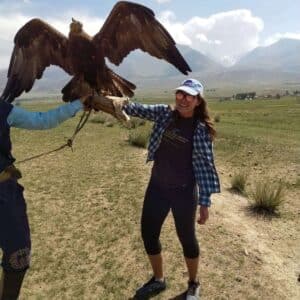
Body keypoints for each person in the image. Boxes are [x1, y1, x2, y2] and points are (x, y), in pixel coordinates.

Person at [121, 78, 221, 299]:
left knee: (187, 238)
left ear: (198, 101)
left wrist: (205, 203)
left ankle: (193, 283)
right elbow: (137, 108)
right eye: (180, 94)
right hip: (157, 187)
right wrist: (112, 101)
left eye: (189, 96)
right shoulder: (165, 114)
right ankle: (158, 280)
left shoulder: (201, 129)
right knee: (148, 234)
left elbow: (205, 167)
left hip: (183, 192)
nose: (183, 99)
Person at [0, 96, 102, 300]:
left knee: (19, 255)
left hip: (4, 193)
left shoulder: (2, 110)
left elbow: (41, 120)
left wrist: (79, 104)